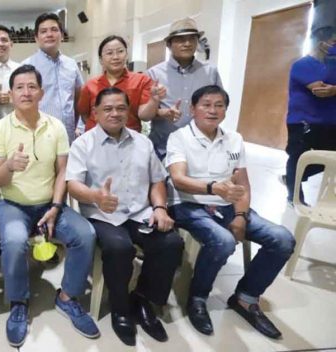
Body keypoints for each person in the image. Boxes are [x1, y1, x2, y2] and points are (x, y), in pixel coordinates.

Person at [166, 85, 295, 339]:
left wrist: (240, 215)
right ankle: (198, 297)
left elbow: (243, 184)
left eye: (219, 105)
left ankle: (246, 298)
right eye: (206, 104)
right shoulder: (179, 137)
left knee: (282, 239)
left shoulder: (234, 139)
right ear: (193, 109)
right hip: (189, 204)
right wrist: (213, 187)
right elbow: (178, 179)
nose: (212, 110)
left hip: (227, 206)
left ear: (225, 110)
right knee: (222, 240)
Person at [0, 65, 98, 347]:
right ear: (10, 94)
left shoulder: (56, 126)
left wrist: (57, 206)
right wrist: (9, 165)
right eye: (19, 87)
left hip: (50, 203)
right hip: (12, 204)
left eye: (31, 86)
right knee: (14, 241)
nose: (26, 92)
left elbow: (63, 171)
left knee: (85, 234)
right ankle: (18, 303)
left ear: (41, 92)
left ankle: (67, 297)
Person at [67, 87, 182, 346]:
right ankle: (120, 308)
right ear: (95, 113)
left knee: (171, 243)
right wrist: (96, 196)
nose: (115, 113)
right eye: (107, 108)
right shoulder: (82, 144)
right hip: (102, 214)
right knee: (119, 248)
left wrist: (160, 208)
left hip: (141, 212)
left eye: (120, 108)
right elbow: (72, 184)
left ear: (129, 111)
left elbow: (157, 180)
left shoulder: (143, 141)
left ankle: (143, 298)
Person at [146, 17, 222, 159]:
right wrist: (162, 112)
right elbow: (144, 112)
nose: (187, 44)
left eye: (192, 39)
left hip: (201, 148)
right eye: (181, 40)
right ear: (169, 44)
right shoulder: (154, 74)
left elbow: (220, 105)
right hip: (163, 147)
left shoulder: (210, 72)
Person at [284, 24, 336, 203]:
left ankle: (293, 177)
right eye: (334, 42)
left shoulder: (333, 65)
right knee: (298, 157)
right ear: (322, 43)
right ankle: (294, 195)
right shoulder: (302, 64)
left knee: (329, 159)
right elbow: (320, 90)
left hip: (329, 122)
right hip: (302, 121)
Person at [77, 36, 165, 133]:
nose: (115, 57)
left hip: (128, 141)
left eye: (120, 51)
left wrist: (154, 100)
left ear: (126, 55)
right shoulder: (90, 85)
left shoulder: (141, 81)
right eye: (109, 53)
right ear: (101, 60)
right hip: (95, 141)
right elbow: (84, 115)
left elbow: (144, 116)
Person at [22, 13, 84, 142]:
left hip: (68, 135)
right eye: (43, 31)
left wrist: (78, 126)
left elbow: (78, 98)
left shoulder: (71, 64)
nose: (49, 34)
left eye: (54, 30)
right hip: (39, 135)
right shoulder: (27, 66)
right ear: (36, 38)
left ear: (61, 35)